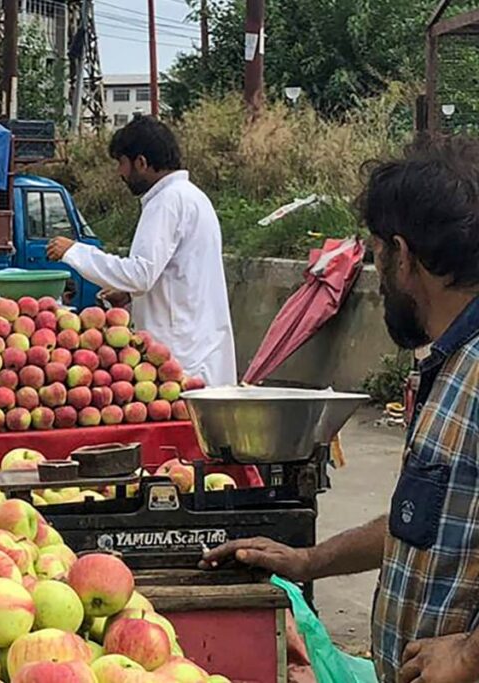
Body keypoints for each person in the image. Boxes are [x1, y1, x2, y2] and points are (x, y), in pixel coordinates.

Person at [203, 136, 479, 683]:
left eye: (376, 251)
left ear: (402, 255)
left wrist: (470, 656)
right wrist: (310, 560)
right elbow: (427, 519)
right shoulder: (450, 365)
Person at [45, 116, 237, 386]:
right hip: (199, 346)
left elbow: (141, 273)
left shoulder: (166, 202)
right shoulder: (193, 197)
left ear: (141, 163)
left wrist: (76, 252)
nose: (120, 173)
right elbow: (174, 273)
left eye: (121, 163)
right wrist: (128, 294)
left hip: (179, 355)